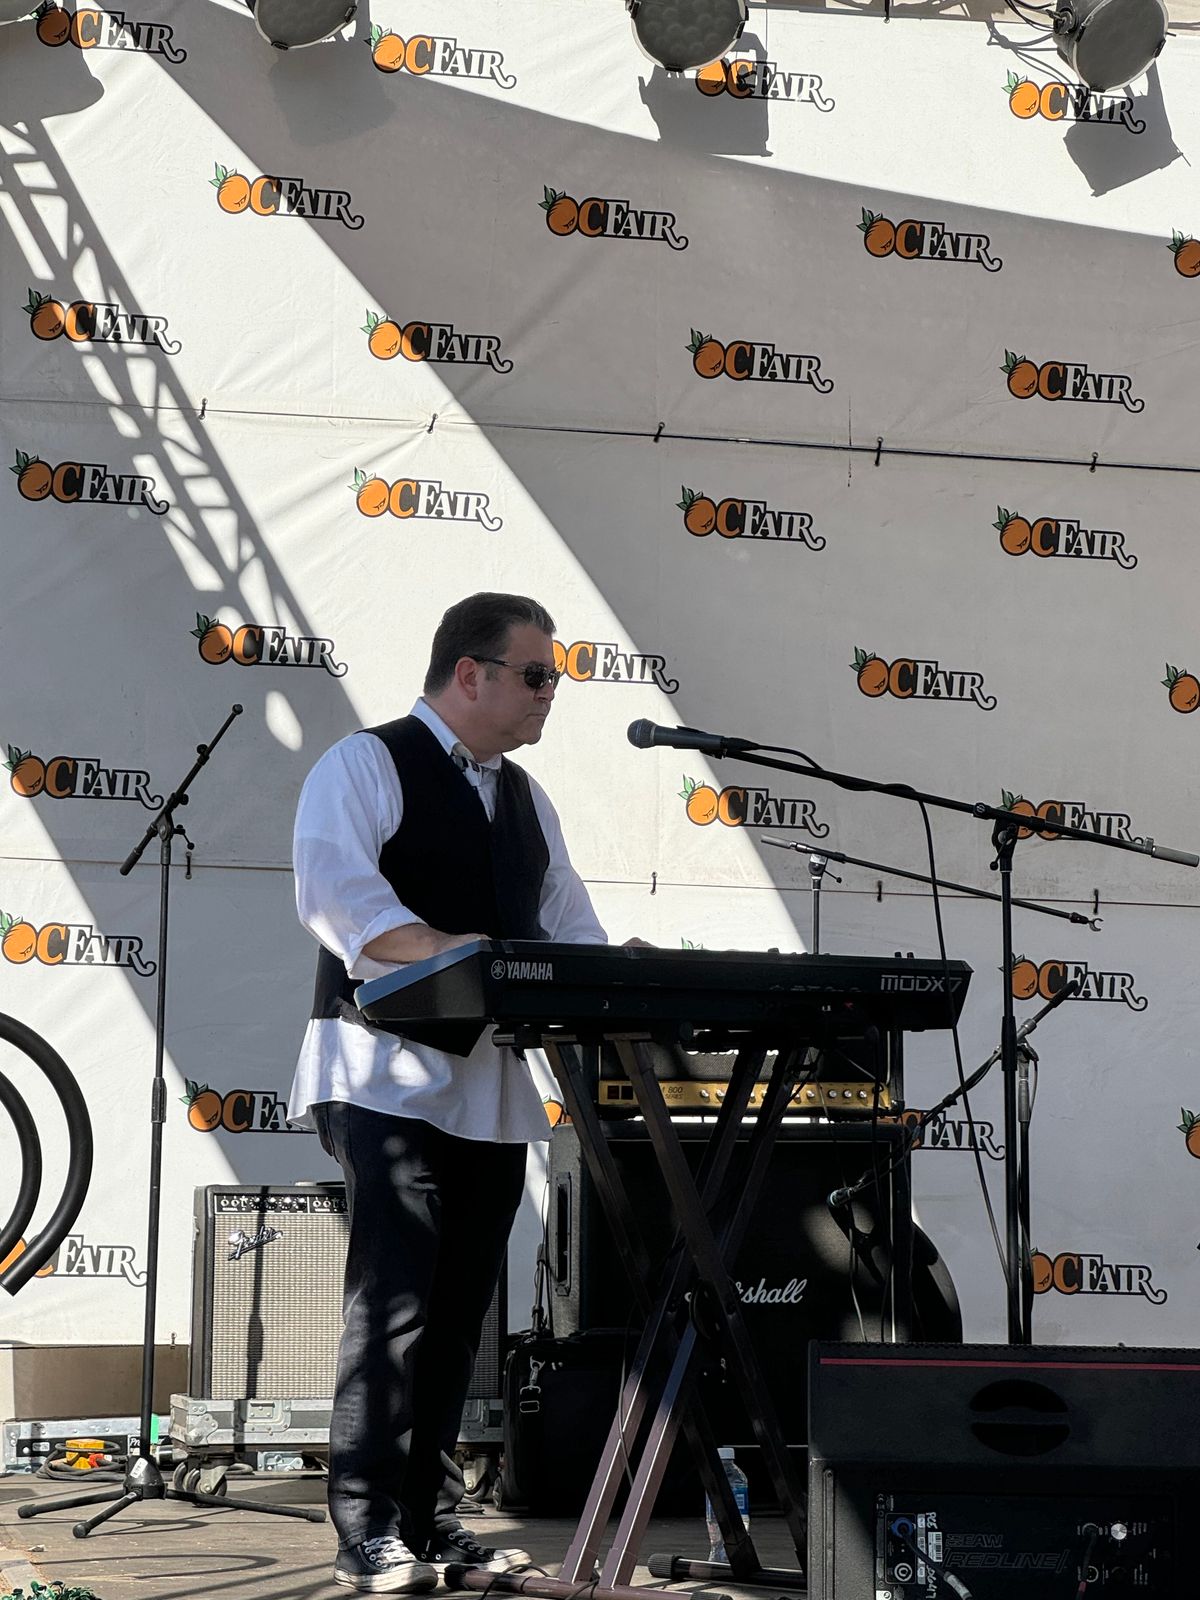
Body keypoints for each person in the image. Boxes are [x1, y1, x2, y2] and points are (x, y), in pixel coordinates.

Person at [288, 593, 608, 1594]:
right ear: (470, 674)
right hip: (382, 1072)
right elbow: (338, 896)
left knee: (461, 1308)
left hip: (486, 1085)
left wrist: (619, 975)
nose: (549, 692)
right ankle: (366, 1527)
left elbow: (567, 924)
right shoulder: (366, 763)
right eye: (536, 674)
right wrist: (453, 947)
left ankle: (425, 1520)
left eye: (553, 677)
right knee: (394, 1305)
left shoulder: (526, 798)